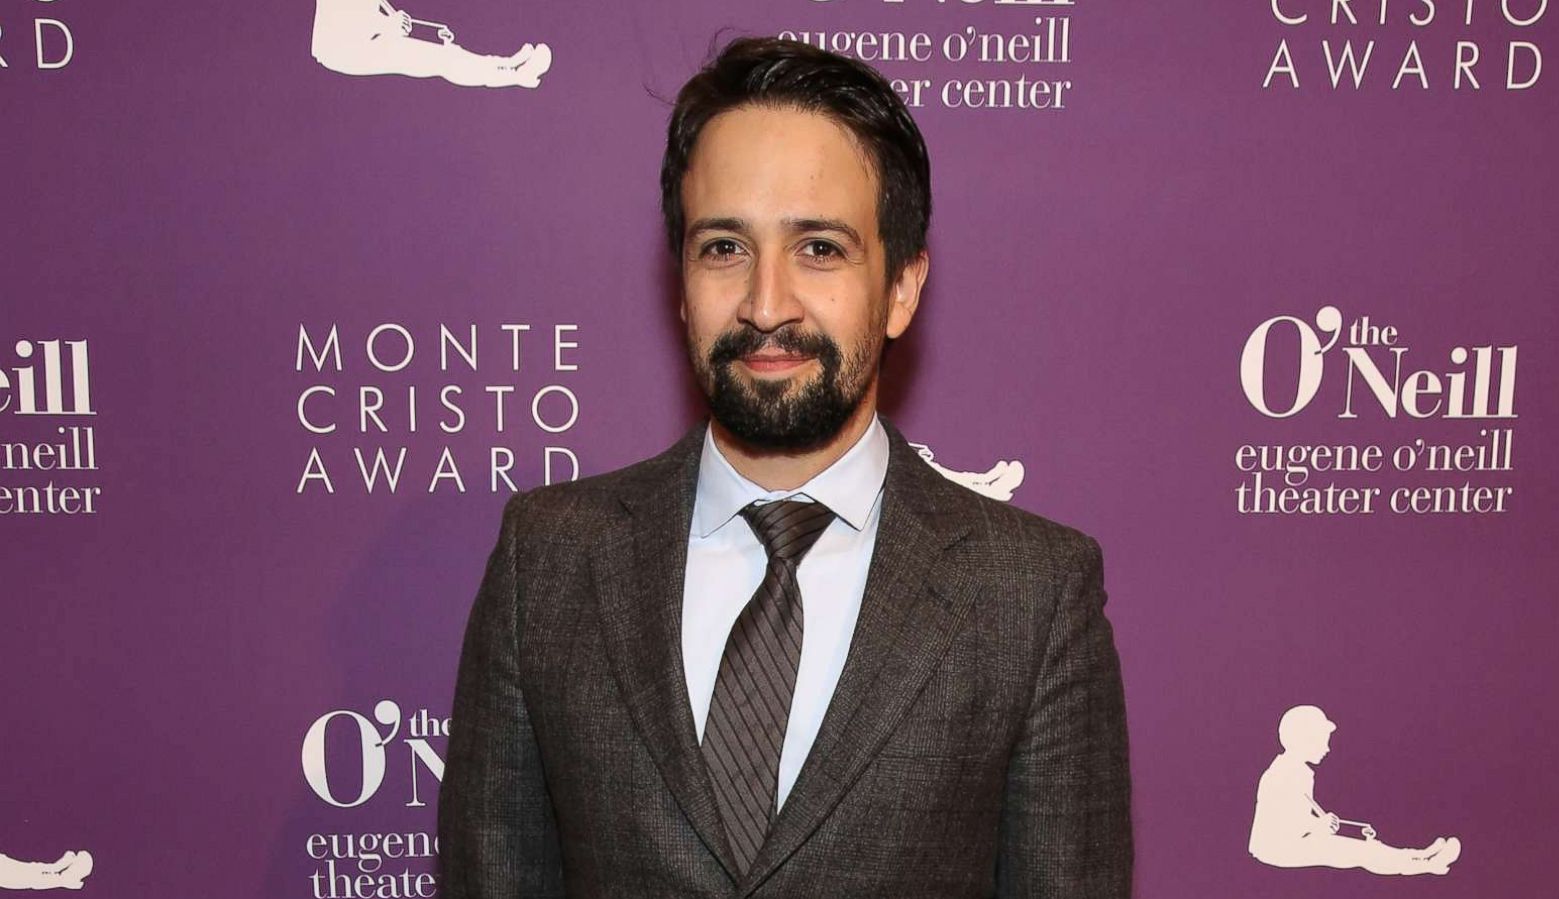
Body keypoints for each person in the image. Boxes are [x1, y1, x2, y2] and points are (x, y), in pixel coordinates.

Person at [438, 36, 1131, 898]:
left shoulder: (1033, 596)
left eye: (820, 249)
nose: (767, 305)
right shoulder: (545, 562)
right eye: (725, 247)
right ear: (681, 282)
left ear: (903, 287)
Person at [1248, 705, 1461, 876]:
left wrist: (1319, 824)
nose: (1327, 748)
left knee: (1365, 848)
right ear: (1304, 739)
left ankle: (1421, 857)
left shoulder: (1297, 771)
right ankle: (1425, 864)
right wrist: (1318, 826)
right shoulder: (1284, 774)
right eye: (1323, 741)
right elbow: (1281, 826)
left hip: (1287, 844)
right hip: (1276, 850)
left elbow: (1296, 818)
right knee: (1362, 852)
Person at [311, 0, 551, 89]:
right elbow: (341, 25)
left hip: (362, 43)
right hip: (342, 51)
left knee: (445, 54)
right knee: (442, 60)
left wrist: (396, 24)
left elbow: (372, 12)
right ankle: (517, 74)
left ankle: (508, 66)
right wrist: (386, 25)